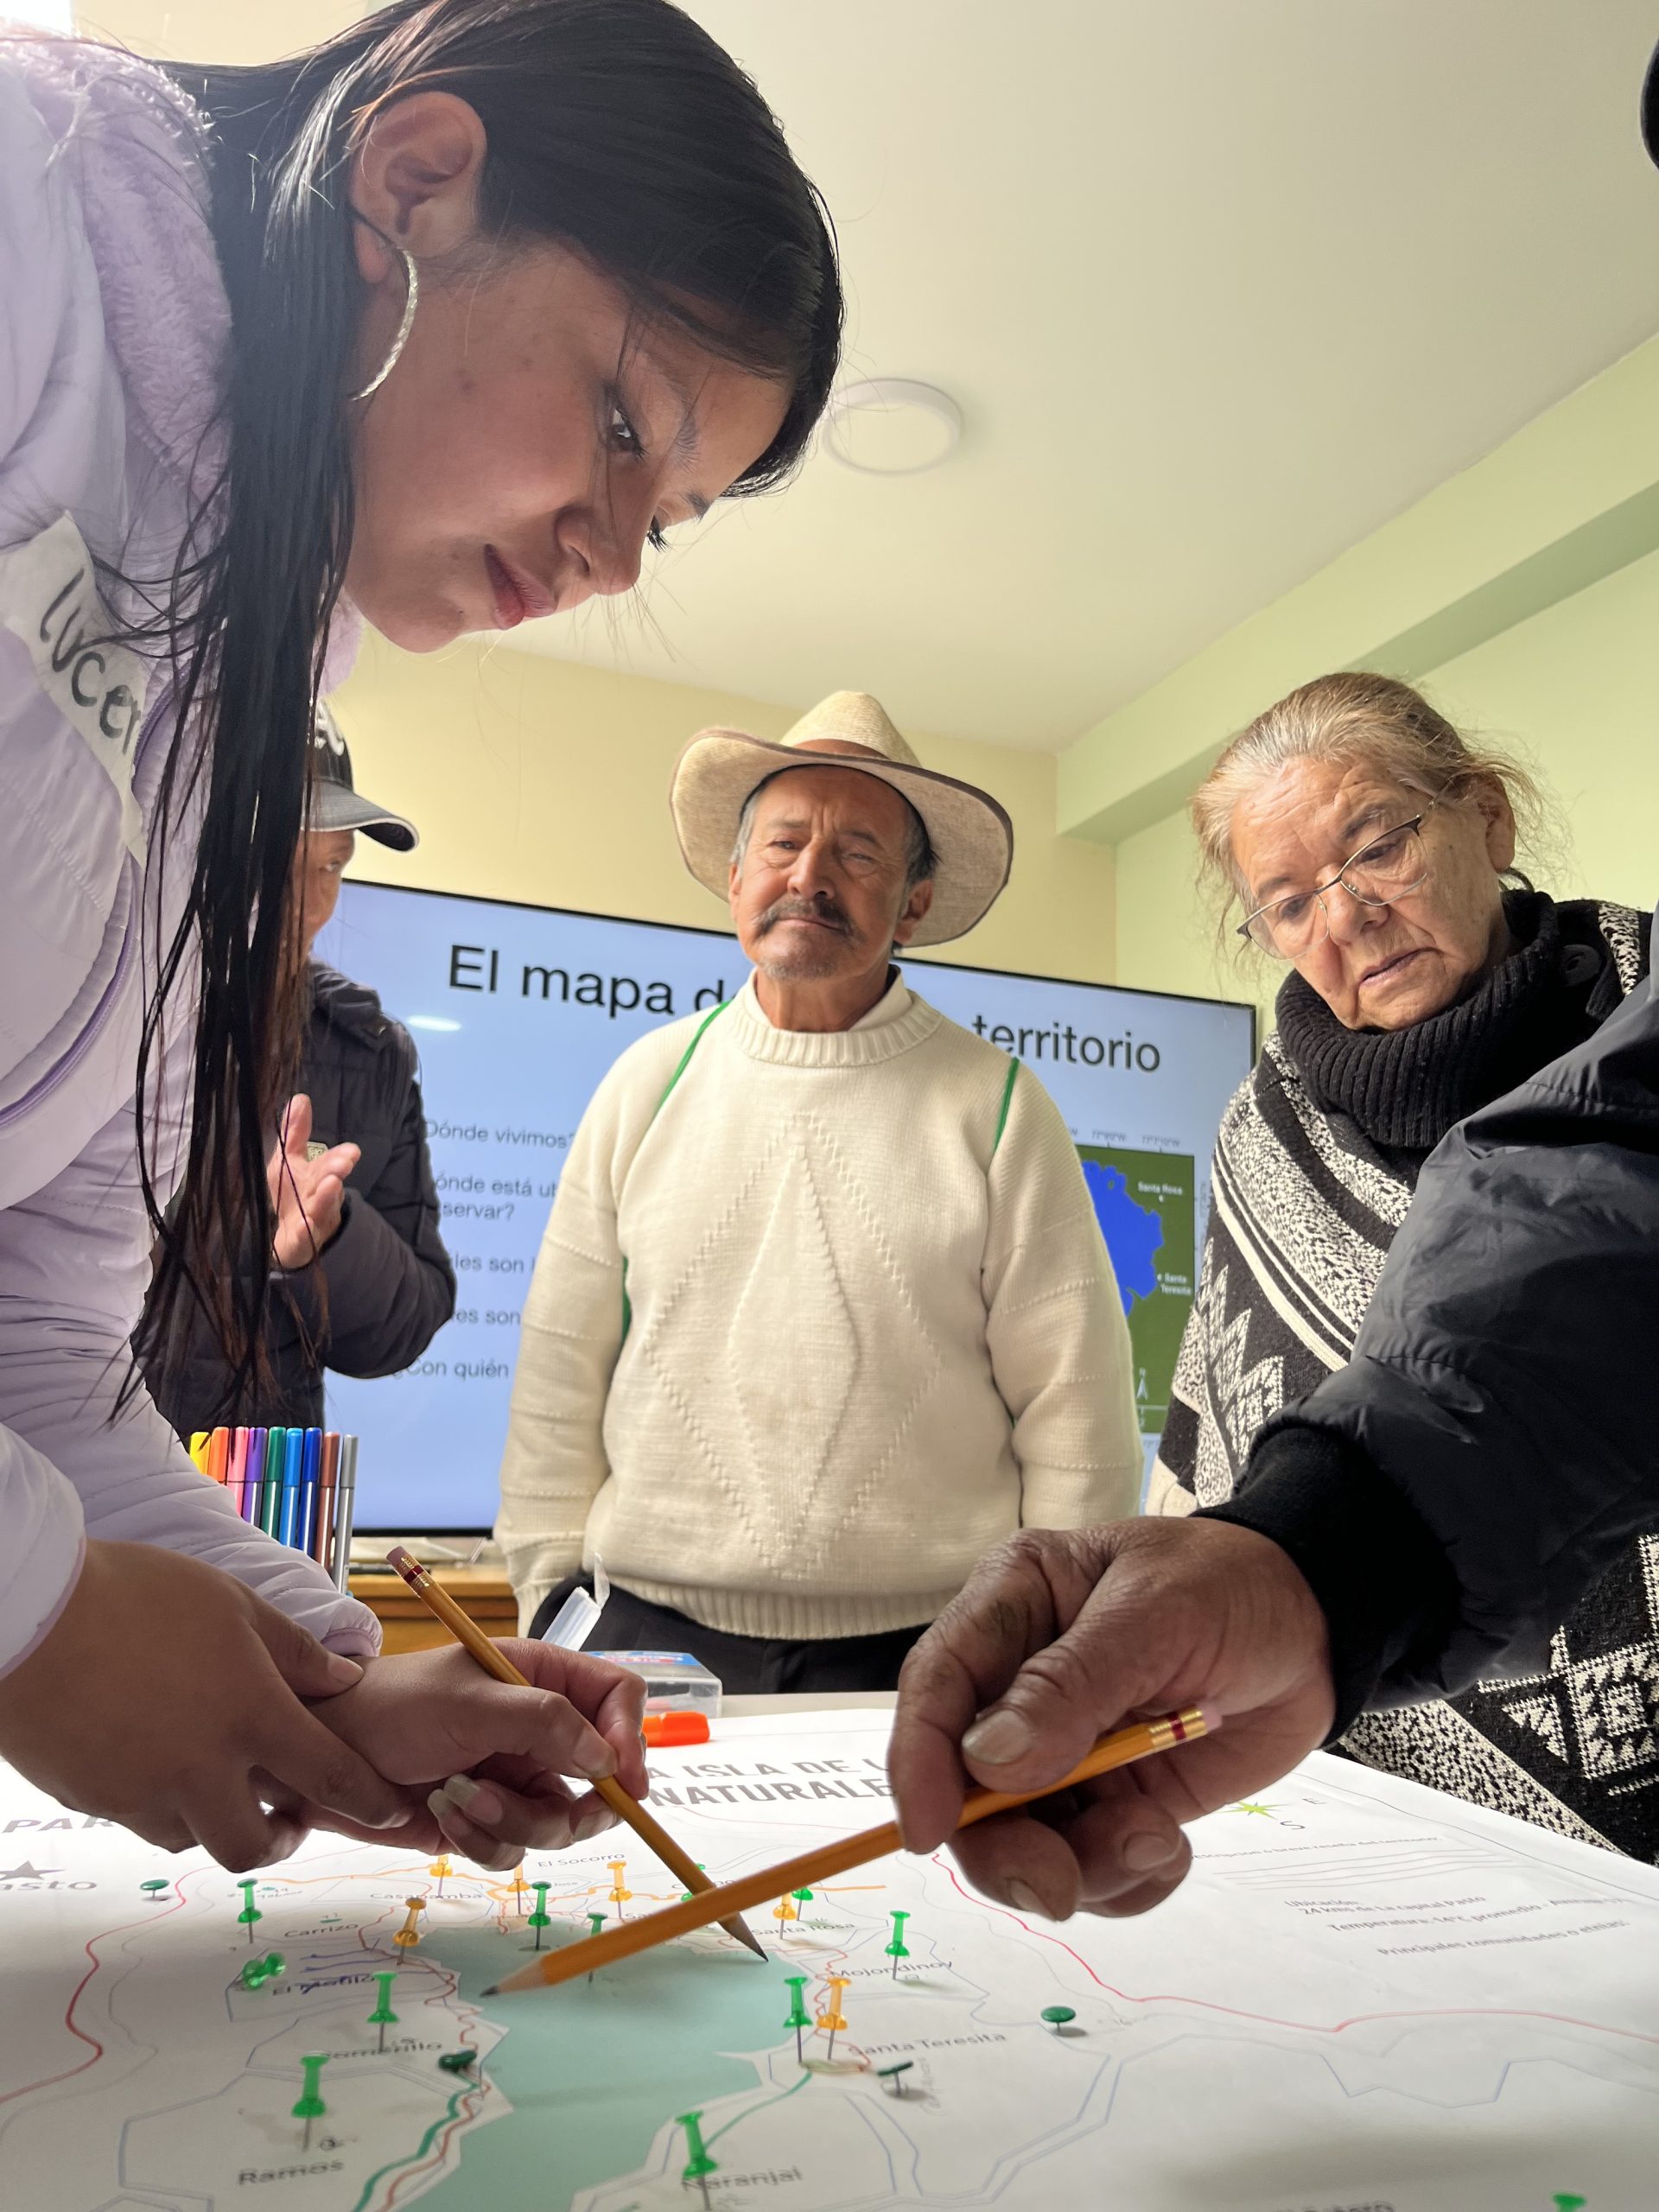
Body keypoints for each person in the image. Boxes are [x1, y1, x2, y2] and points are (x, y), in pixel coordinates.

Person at [0, 0, 840, 1868]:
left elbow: (37, 1347)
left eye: (667, 517)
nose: (610, 556)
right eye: (621, 427)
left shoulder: (251, 688)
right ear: (416, 179)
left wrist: (339, 1684)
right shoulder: (23, 207)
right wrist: (38, 1609)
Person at [495, 691, 1142, 1692]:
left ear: (913, 905)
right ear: (736, 876)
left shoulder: (997, 1104)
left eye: (858, 854)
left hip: (930, 1651)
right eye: (784, 844)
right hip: (645, 1639)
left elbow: (1076, 1407)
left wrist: (1051, 1638)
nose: (809, 876)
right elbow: (558, 1371)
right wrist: (548, 1599)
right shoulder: (646, 1083)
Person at [1145, 671, 1656, 1856]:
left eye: (1378, 848)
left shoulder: (1645, 1026)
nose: (1346, 919)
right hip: (1386, 1829)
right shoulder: (1259, 1143)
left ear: (1489, 817)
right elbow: (1223, 1446)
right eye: (1287, 904)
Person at [137, 707, 455, 1435]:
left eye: (332, 865)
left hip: (258, 1483)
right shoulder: (88, 1009)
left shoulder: (372, 1054)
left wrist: (329, 1243)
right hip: (50, 1470)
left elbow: (408, 1325)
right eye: (275, 859)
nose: (308, 903)